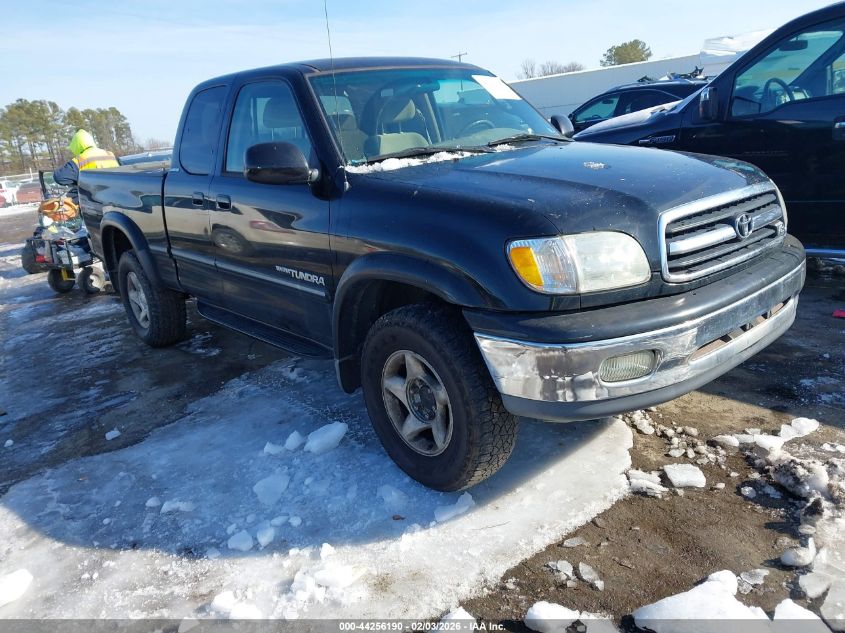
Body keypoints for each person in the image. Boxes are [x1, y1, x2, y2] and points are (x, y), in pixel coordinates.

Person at [53, 129, 119, 202]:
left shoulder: (81, 159)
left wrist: (77, 181)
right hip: (114, 195)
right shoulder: (109, 154)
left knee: (73, 195)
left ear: (76, 145)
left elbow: (59, 177)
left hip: (95, 199)